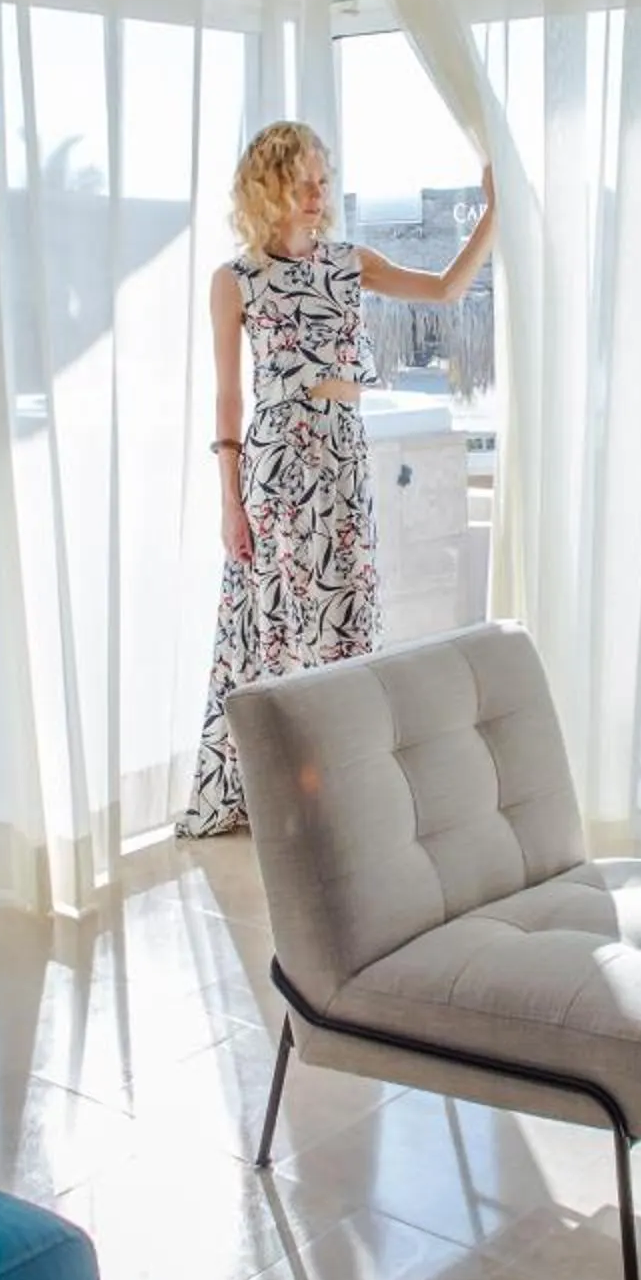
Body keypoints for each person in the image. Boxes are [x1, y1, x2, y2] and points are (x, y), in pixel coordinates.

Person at [176, 121, 497, 836]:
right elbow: (228, 399)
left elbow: (446, 290)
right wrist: (230, 503)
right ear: (269, 189)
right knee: (282, 626)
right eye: (303, 183)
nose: (318, 194)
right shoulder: (235, 281)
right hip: (277, 464)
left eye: (323, 181)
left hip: (343, 457)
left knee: (349, 619)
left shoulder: (350, 263)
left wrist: (494, 214)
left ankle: (344, 781)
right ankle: (286, 789)